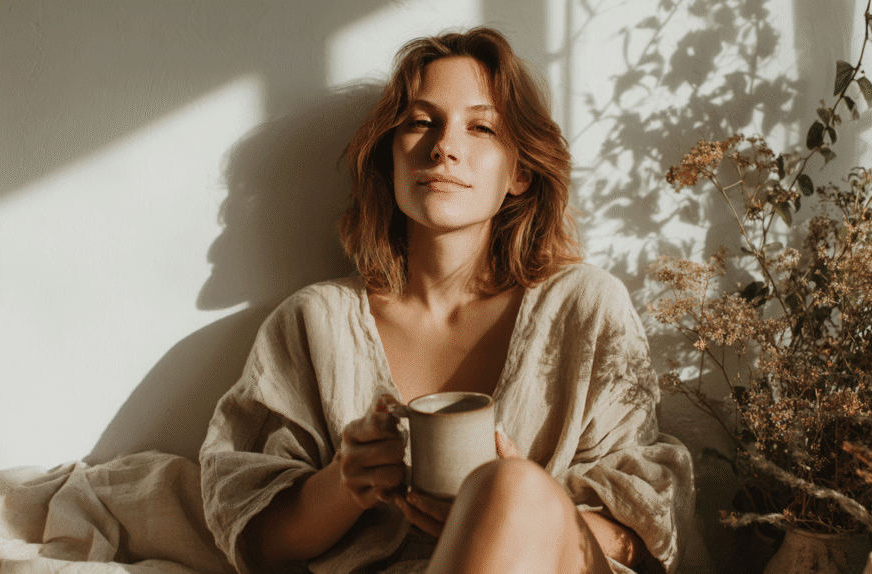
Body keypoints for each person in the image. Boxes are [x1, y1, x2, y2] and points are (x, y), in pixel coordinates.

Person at [199, 27, 693, 574]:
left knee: (510, 486)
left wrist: (512, 509)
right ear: (390, 158)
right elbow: (257, 540)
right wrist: (346, 481)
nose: (444, 147)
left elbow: (644, 533)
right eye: (419, 122)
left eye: (480, 127)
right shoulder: (315, 324)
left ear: (520, 172)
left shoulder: (584, 309)